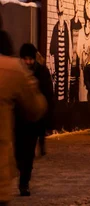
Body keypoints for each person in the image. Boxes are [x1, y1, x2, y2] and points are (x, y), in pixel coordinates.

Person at [0, 32, 47, 202]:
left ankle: (24, 182)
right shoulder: (12, 69)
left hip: (25, 127)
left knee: (25, 155)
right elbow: (36, 106)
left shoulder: (39, 71)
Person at [15, 44, 53, 196]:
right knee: (18, 152)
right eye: (25, 59)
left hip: (34, 120)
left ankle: (24, 182)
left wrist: (47, 119)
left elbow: (48, 96)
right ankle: (21, 169)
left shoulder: (42, 72)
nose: (28, 62)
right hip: (18, 119)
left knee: (29, 152)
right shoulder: (16, 73)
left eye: (30, 59)